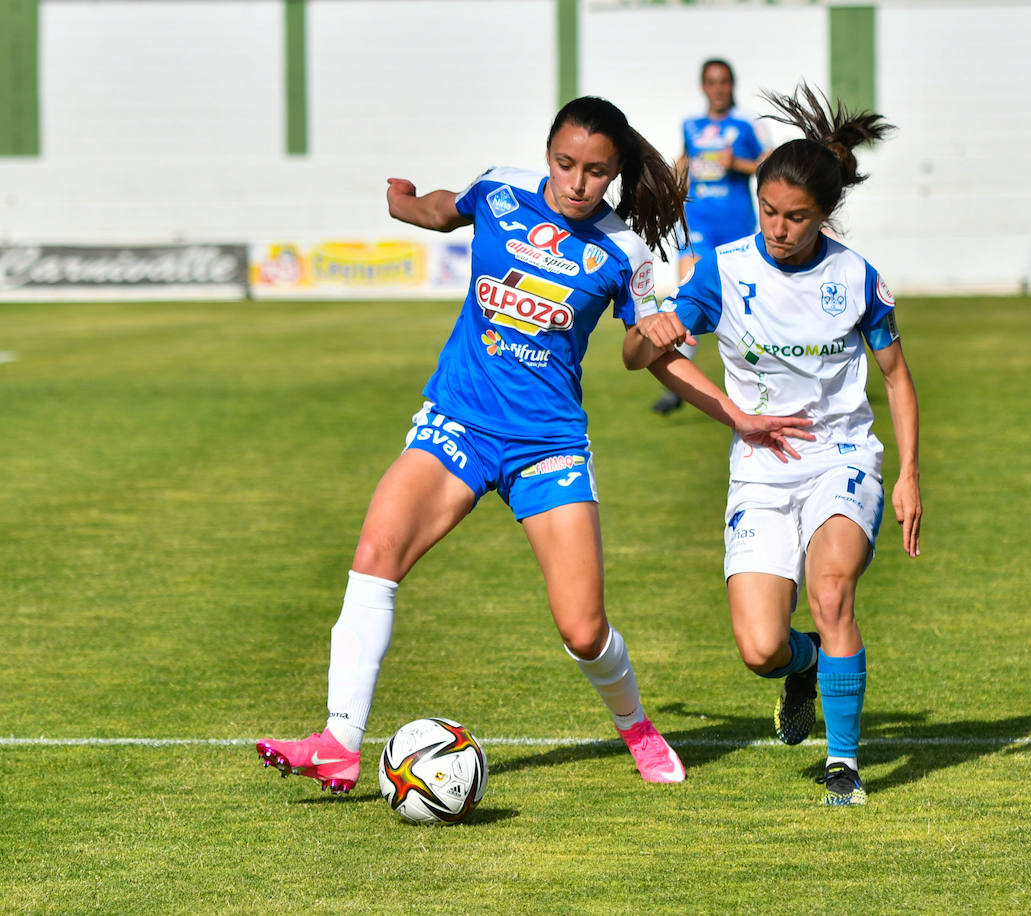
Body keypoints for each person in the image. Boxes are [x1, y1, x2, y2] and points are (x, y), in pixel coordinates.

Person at [256, 97, 730, 792]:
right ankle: (339, 741)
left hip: (548, 447)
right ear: (547, 155)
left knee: (582, 630)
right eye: (566, 164)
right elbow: (445, 209)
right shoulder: (501, 190)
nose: (577, 182)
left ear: (615, 173)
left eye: (596, 172)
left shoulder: (623, 249)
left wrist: (684, 365)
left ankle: (636, 726)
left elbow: (640, 355)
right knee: (374, 556)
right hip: (458, 424)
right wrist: (403, 202)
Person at [624, 85, 922, 806]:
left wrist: (909, 471)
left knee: (831, 591)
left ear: (826, 214)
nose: (780, 228)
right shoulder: (723, 271)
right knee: (760, 648)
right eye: (769, 212)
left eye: (798, 217)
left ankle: (843, 767)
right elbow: (641, 358)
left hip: (843, 458)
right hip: (760, 470)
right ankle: (806, 668)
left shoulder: (855, 278)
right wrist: (653, 335)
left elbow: (897, 377)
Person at [651, 59, 772, 414]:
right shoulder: (691, 125)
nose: (718, 88)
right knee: (687, 289)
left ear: (731, 85)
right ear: (703, 86)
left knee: (741, 304)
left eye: (723, 82)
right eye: (711, 82)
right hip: (697, 221)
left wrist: (739, 165)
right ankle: (677, 384)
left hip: (736, 225)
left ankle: (761, 377)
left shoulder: (747, 125)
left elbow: (771, 165)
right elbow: (685, 161)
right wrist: (664, 184)